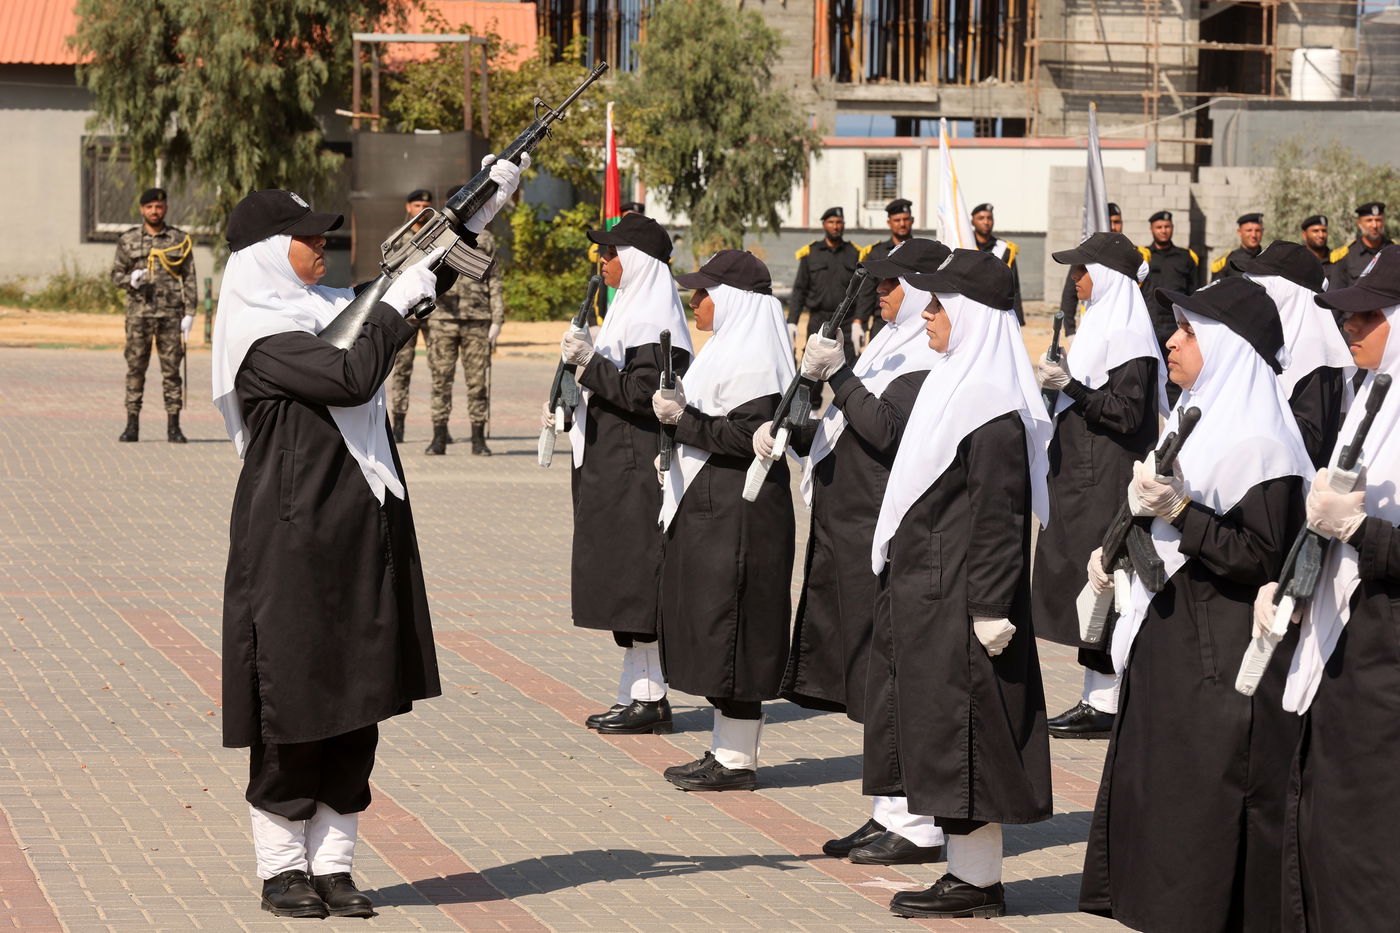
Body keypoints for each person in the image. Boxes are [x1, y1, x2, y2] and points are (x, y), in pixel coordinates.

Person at [211, 158, 521, 918]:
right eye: (307, 237)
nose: (325, 244)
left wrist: (476, 214)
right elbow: (351, 372)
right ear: (262, 254)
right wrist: (395, 305)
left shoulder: (320, 305)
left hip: (362, 529)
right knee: (296, 698)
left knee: (358, 693)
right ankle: (284, 865)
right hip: (294, 539)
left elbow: (403, 290)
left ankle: (335, 859)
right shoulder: (261, 336)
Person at [1079, 276, 1312, 931]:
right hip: (1175, 660)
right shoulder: (1197, 418)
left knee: (1201, 841)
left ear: (1228, 345)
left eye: (1187, 332)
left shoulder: (1261, 441)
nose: (1171, 342)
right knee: (1162, 826)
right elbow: (1163, 528)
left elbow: (1261, 553)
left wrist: (1183, 510)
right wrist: (1117, 548)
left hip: (1220, 675)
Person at [864, 249, 1054, 919]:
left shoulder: (993, 408)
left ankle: (976, 883)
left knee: (968, 736)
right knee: (943, 733)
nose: (930, 316)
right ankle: (963, 874)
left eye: (941, 306)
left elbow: (1001, 519)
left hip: (968, 605)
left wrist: (991, 607)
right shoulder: (954, 382)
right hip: (933, 595)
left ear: (974, 317)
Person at [778, 237, 951, 864]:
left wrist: (840, 375)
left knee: (894, 676)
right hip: (848, 525)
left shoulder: (930, 355)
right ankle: (887, 811)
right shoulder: (888, 340)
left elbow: (884, 431)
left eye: (891, 285)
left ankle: (920, 821)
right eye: (875, 284)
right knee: (871, 679)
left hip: (885, 528)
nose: (879, 294)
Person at [1276, 244, 1400, 931]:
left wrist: (1361, 532)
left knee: (1373, 848)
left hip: (1387, 667)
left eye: (1369, 317)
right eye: (1346, 318)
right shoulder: (1374, 399)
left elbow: (1357, 526)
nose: (1351, 329)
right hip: (1346, 653)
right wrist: (1293, 587)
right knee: (1332, 831)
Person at [651, 250, 795, 791]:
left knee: (734, 627)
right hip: (714, 507)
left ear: (732, 299)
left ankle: (737, 761)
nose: (695, 302)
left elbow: (748, 438)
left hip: (740, 515)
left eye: (705, 292)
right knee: (714, 626)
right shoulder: (726, 352)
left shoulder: (755, 361)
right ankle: (725, 750)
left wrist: (683, 420)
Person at [560, 212, 693, 736]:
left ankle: (650, 695)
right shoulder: (627, 313)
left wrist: (590, 364)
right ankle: (635, 691)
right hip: (611, 464)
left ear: (637, 262)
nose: (603, 260)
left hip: (637, 467)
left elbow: (644, 395)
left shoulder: (656, 322)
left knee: (637, 584)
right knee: (620, 583)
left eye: (612, 252)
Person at [1033, 233, 1168, 740]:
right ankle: (1095, 697)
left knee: (1107, 582)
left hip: (1106, 476)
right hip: (1084, 475)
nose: (1076, 278)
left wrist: (1070, 386)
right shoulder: (1102, 323)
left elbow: (1130, 413)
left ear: (1107, 274)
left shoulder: (1129, 332)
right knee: (1090, 585)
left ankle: (1108, 703)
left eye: (1082, 269)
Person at [1234, 240, 1354, 468]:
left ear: (1289, 293)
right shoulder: (1275, 340)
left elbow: (1308, 443)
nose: (1253, 299)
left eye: (1262, 290)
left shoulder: (1316, 356)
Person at [111, 187, 198, 443]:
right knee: (136, 368)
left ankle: (174, 426)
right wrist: (131, 280)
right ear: (142, 209)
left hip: (171, 315)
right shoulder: (128, 240)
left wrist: (190, 312)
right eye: (149, 207)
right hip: (138, 315)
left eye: (159, 207)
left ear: (166, 209)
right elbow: (115, 275)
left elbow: (189, 277)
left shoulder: (179, 240)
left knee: (172, 371)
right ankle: (132, 425)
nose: (154, 211)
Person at [425, 189, 504, 457]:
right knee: (440, 380)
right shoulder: (435, 235)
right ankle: (438, 437)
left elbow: (494, 279)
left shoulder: (486, 238)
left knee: (477, 382)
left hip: (477, 319)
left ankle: (478, 438)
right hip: (442, 319)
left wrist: (497, 318)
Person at [389, 188, 436, 443]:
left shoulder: (441, 235)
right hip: (406, 311)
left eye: (425, 205)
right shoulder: (398, 238)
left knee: (440, 370)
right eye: (416, 205)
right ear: (408, 208)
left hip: (436, 311)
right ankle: (398, 424)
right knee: (402, 368)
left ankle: (440, 428)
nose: (420, 209)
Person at [788, 207, 861, 364]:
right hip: (818, 321)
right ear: (824, 225)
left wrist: (859, 321)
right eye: (831, 222)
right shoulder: (811, 253)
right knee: (812, 376)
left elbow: (862, 292)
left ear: (844, 225)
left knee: (849, 375)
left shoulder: (855, 253)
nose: (835, 226)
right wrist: (792, 321)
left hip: (846, 323)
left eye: (839, 222)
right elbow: (800, 290)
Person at [854, 198, 917, 343]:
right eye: (897, 220)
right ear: (889, 222)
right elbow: (867, 293)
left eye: (905, 219)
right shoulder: (876, 253)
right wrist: (859, 322)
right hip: (883, 324)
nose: (902, 224)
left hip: (914, 324)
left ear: (912, 220)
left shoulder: (921, 252)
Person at [1057, 203, 1122, 337]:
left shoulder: (1128, 256)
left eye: (1117, 222)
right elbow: (1070, 294)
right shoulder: (1087, 255)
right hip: (1092, 326)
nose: (1113, 227)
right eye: (1109, 222)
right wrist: (1070, 332)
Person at [1138, 210, 1199, 348]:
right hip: (1150, 322)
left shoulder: (1186, 257)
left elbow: (1194, 292)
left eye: (1167, 226)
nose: (1163, 231)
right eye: (1159, 227)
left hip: (1177, 323)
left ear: (1172, 228)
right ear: (1151, 229)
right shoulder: (1143, 257)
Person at [970, 203, 1024, 325]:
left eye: (989, 218)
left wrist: (1017, 319)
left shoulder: (1005, 249)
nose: (986, 222)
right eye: (981, 218)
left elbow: (1013, 286)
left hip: (996, 311)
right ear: (972, 222)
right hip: (969, 311)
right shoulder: (964, 245)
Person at [1328, 202, 1393, 290]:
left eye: (1378, 220)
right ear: (1359, 223)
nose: (1374, 225)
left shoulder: (1395, 251)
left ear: (1383, 222)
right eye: (1369, 220)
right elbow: (1335, 292)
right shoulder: (1345, 256)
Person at [1211, 212, 1264, 281]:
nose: (1253, 235)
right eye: (1249, 230)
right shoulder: (1226, 262)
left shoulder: (1271, 260)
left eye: (1257, 230)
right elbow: (1214, 290)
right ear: (1239, 232)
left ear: (1262, 231)